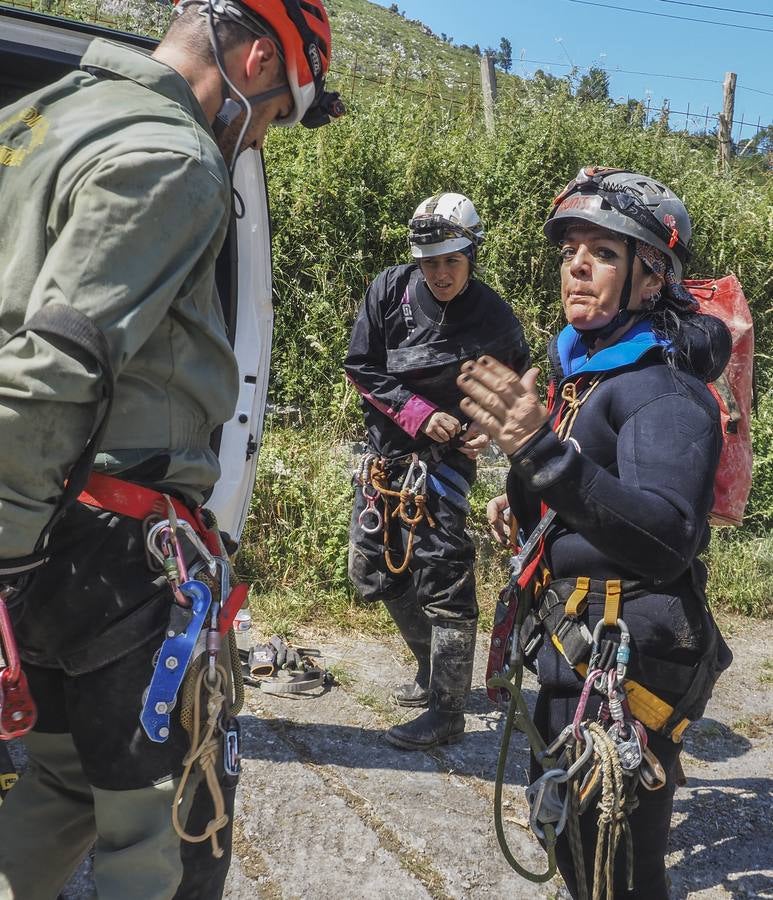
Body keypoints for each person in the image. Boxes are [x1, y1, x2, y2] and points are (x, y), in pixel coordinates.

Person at [0, 1, 340, 897]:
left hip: (40, 536)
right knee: (171, 826)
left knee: (64, 780)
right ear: (259, 57)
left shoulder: (34, 121)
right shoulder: (173, 156)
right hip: (110, 552)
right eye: (274, 115)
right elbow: (55, 364)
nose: (260, 138)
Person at [457, 167, 732, 898]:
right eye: (569, 249)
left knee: (613, 863)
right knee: (573, 839)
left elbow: (668, 536)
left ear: (652, 278)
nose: (575, 264)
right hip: (580, 639)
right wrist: (527, 505)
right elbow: (593, 487)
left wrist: (540, 455)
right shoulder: (593, 378)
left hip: (624, 652)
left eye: (603, 252)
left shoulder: (662, 391)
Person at [344, 193, 530, 751]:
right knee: (371, 569)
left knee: (444, 575)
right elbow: (361, 367)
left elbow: (518, 384)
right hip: (384, 456)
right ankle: (433, 667)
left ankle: (447, 711)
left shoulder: (493, 315)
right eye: (429, 262)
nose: (440, 273)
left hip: (443, 469)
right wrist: (422, 415)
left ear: (472, 255)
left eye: (451, 261)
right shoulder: (389, 292)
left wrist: (487, 428)